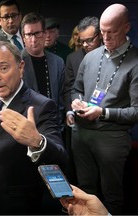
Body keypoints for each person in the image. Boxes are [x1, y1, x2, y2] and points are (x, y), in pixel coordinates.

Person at [0, 41, 68, 214]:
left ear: (21, 67)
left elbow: (61, 156)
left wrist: (37, 142)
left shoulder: (41, 106)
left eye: (3, 68)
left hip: (15, 205)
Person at [71, 4, 138, 214]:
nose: (106, 37)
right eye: (102, 31)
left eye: (112, 31)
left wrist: (104, 112)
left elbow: (136, 111)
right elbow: (76, 89)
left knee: (112, 196)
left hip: (112, 138)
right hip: (81, 135)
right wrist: (76, 102)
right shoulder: (90, 57)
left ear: (126, 27)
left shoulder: (135, 62)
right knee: (84, 192)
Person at [63, 16, 102, 184]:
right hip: (81, 124)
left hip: (105, 124)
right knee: (83, 176)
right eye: (82, 41)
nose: (85, 45)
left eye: (89, 40)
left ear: (100, 35)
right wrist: (71, 109)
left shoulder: (112, 56)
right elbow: (70, 88)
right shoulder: (74, 58)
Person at [21, 12, 65, 133]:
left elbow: (60, 98)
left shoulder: (58, 62)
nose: (33, 39)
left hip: (53, 127)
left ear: (45, 34)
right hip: (26, 127)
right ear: (23, 37)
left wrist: (59, 125)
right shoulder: (15, 62)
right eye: (29, 35)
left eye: (37, 33)